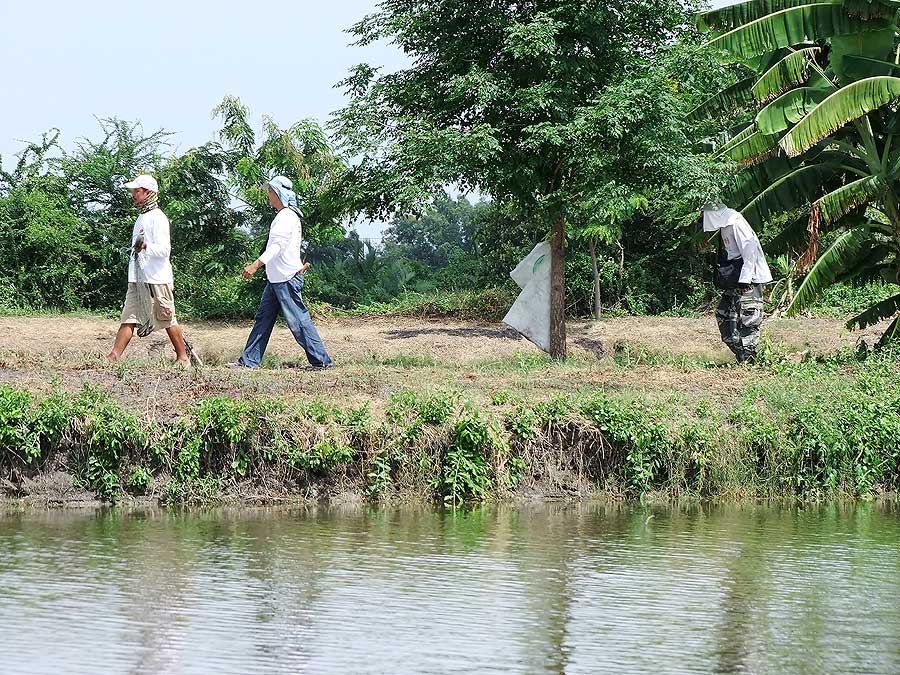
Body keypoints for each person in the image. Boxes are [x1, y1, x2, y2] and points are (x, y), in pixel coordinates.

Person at [229, 176, 333, 370]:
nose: (268, 195)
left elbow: (277, 247)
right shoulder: (286, 216)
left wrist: (254, 265)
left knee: (299, 322)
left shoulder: (285, 217)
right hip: (277, 279)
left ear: (278, 194)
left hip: (285, 279)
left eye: (270, 192)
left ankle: (321, 362)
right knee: (263, 320)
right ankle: (249, 361)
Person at [107, 174, 189, 364]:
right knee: (129, 317)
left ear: (148, 192)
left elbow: (165, 250)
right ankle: (113, 357)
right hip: (138, 278)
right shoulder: (141, 218)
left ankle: (183, 357)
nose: (133, 195)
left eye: (137, 191)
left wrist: (145, 247)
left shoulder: (158, 218)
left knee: (167, 318)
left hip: (157, 278)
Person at [702, 204, 773, 364]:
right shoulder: (725, 225)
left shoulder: (735, 222)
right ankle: (742, 356)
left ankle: (749, 361)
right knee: (723, 313)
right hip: (737, 278)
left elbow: (750, 250)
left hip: (749, 279)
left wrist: (745, 280)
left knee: (748, 319)